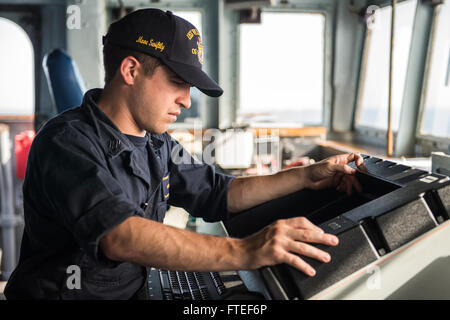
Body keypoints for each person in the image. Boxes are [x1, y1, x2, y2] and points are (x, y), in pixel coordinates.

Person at [4, 8, 364, 300]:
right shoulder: (67, 142)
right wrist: (245, 251)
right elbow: (119, 236)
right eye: (177, 82)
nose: (187, 100)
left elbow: (221, 193)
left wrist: (305, 175)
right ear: (130, 70)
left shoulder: (156, 141)